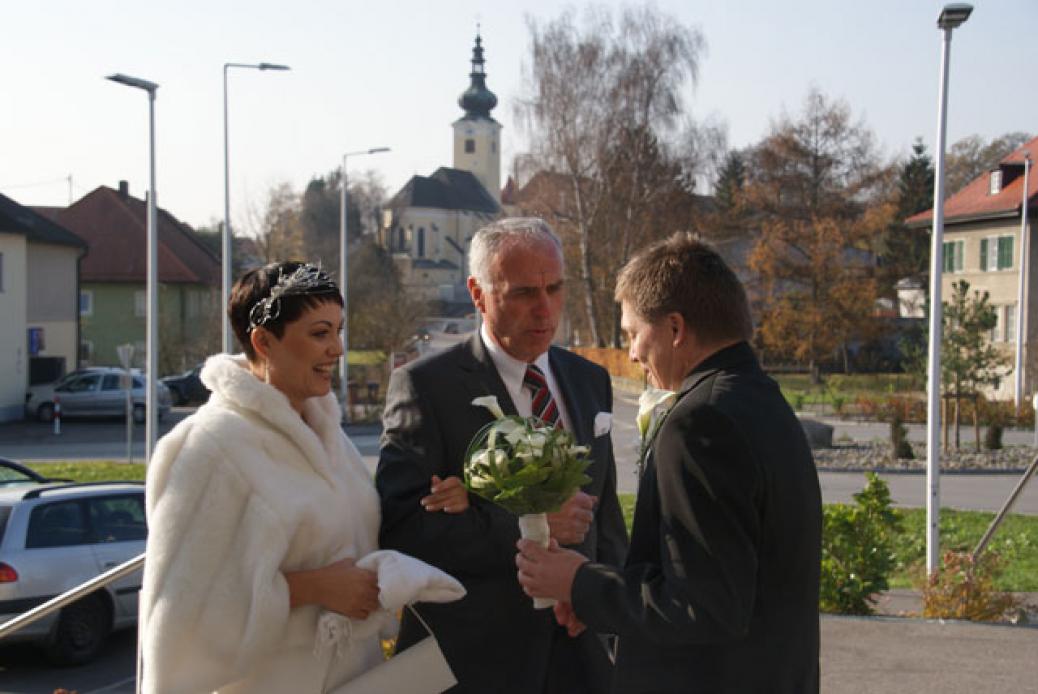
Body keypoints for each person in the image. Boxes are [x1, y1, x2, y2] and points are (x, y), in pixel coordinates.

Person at [140, 262, 468, 694]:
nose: (338, 348)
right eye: (319, 333)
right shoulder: (209, 449)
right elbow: (178, 625)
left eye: (339, 330)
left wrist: (448, 501)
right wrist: (309, 588)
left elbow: (358, 539)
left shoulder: (327, 435)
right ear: (264, 341)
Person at [517, 233, 822, 693]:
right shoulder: (761, 399)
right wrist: (601, 597)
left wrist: (579, 582)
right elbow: (715, 577)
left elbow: (703, 608)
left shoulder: (698, 422)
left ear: (675, 329)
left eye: (633, 334)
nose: (633, 354)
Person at [376, 218, 629, 694]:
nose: (544, 309)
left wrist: (607, 605)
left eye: (555, 288)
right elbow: (402, 529)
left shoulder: (590, 381)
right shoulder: (426, 387)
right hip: (475, 664)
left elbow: (607, 521)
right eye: (523, 293)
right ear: (478, 293)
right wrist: (531, 526)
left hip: (582, 657)